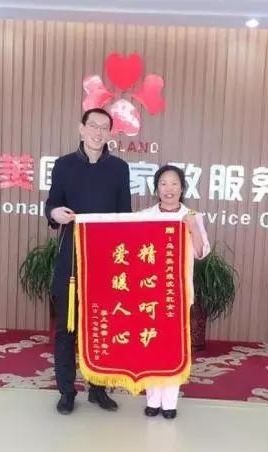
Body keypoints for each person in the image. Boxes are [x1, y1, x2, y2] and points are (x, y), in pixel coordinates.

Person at [45, 107, 132, 415]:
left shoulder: (119, 169)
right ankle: (67, 391)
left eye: (104, 127)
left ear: (110, 134)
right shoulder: (64, 165)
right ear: (81, 129)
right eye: (93, 125)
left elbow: (125, 216)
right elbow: (52, 204)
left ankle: (98, 389)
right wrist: (54, 213)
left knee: (102, 326)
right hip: (71, 257)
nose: (98, 132)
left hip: (105, 260)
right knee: (66, 328)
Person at [139, 164, 210, 419]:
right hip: (149, 292)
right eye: (163, 184)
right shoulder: (145, 215)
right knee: (150, 345)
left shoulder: (192, 215)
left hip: (177, 294)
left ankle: (170, 403)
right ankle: (152, 400)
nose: (169, 189)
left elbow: (201, 253)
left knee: (172, 348)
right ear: (156, 188)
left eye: (174, 184)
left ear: (182, 188)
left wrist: (192, 227)